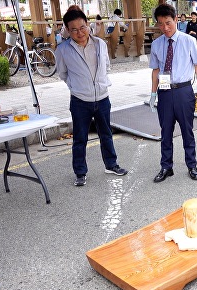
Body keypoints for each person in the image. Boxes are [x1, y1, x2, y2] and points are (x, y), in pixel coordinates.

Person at [56, 9, 128, 186]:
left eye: (82, 27)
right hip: (80, 101)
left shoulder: (100, 44)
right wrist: (77, 87)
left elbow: (107, 66)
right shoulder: (63, 50)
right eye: (74, 30)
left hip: (103, 98)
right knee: (80, 138)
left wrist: (100, 84)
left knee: (106, 134)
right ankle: (80, 172)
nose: (80, 33)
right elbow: (63, 74)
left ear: (88, 25)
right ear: (67, 30)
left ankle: (111, 164)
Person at [147, 4, 197, 183]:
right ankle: (166, 166)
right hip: (165, 91)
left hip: (184, 90)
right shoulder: (156, 44)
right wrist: (153, 94)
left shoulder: (188, 41)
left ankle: (192, 164)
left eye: (168, 23)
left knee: (187, 130)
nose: (165, 28)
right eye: (161, 24)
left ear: (176, 19)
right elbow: (155, 70)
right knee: (165, 131)